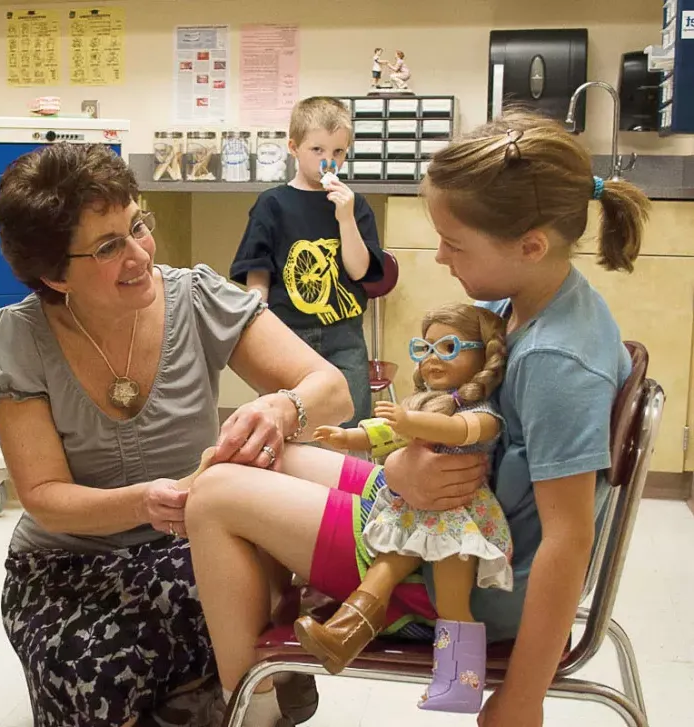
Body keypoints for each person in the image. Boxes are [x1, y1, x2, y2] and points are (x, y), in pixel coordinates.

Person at [186, 109, 649, 727]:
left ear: (530, 244)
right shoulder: (537, 302)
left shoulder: (559, 362)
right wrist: (404, 461)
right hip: (441, 512)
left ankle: (254, 706)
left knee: (213, 494)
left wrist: (523, 697)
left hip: (465, 569)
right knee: (267, 451)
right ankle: (272, 661)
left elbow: (567, 543)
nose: (438, 257)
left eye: (454, 244)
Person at [0, 142, 354, 727]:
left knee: (213, 643)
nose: (140, 255)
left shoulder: (196, 297)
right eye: (109, 247)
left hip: (194, 545)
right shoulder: (21, 336)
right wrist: (144, 502)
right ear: (56, 275)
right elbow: (44, 497)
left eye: (138, 226)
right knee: (93, 676)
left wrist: (282, 409)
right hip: (66, 563)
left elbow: (330, 386)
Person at [297, 303, 513, 714]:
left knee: (451, 602)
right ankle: (344, 635)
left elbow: (457, 431)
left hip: (457, 523)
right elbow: (382, 434)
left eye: (447, 347)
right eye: (425, 347)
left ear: (483, 355)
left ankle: (462, 686)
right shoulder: (427, 403)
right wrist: (347, 438)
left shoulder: (481, 412)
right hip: (413, 513)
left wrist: (409, 422)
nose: (432, 358)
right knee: (382, 569)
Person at [230, 96, 385, 428]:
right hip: (288, 332)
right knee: (286, 422)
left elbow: (359, 270)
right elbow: (258, 272)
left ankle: (347, 477)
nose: (328, 162)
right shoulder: (272, 204)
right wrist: (257, 322)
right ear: (294, 147)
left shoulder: (355, 206)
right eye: (318, 151)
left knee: (350, 420)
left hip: (344, 333)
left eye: (338, 153)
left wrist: (345, 218)